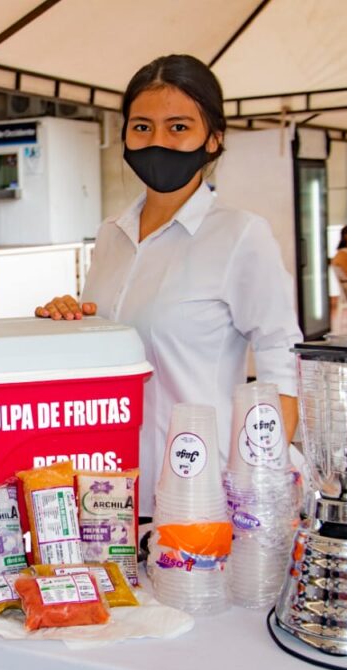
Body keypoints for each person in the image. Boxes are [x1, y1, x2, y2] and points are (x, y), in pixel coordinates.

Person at [36, 54, 302, 516]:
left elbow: (283, 364)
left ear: (214, 138)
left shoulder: (240, 235)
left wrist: (259, 487)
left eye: (178, 126)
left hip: (206, 495)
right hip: (111, 492)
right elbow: (106, 356)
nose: (157, 141)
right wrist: (69, 324)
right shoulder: (110, 236)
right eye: (142, 127)